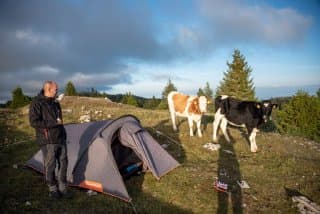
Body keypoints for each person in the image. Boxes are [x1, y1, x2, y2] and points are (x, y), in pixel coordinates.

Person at [29, 81, 71, 199]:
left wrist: (63, 133)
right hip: (48, 140)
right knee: (50, 165)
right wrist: (53, 123)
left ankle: (62, 187)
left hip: (61, 138)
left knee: (64, 164)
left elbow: (60, 121)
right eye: (55, 89)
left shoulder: (55, 103)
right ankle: (52, 188)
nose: (57, 91)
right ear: (48, 89)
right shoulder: (37, 103)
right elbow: (34, 122)